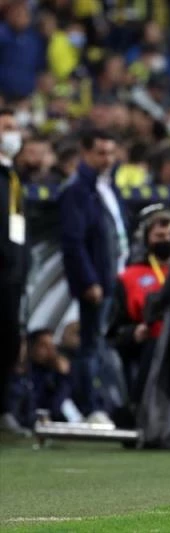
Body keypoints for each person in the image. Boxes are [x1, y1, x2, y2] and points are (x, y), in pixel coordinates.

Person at [59, 128, 119, 426]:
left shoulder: (106, 186)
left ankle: (106, 404)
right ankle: (89, 406)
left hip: (112, 278)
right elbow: (73, 242)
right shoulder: (77, 190)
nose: (107, 159)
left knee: (101, 345)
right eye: (100, 153)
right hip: (97, 282)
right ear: (84, 153)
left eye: (111, 153)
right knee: (90, 346)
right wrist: (88, 280)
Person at [107, 204, 170, 405]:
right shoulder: (128, 278)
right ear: (146, 239)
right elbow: (113, 334)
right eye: (160, 236)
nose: (167, 240)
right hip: (146, 354)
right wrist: (133, 334)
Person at [0, 108, 25, 425]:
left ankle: (4, 409)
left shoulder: (12, 177)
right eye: (6, 127)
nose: (12, 133)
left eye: (14, 127)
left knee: (9, 343)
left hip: (11, 276)